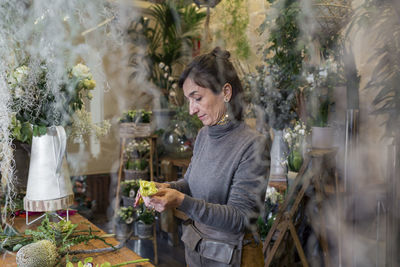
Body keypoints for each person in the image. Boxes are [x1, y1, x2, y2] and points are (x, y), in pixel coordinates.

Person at [144, 47, 270, 267]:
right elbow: (190, 183)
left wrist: (181, 201)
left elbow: (240, 218)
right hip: (199, 251)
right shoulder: (204, 134)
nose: (192, 110)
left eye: (197, 98)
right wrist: (164, 187)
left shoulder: (253, 144)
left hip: (234, 257)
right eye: (189, 100)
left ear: (226, 92)